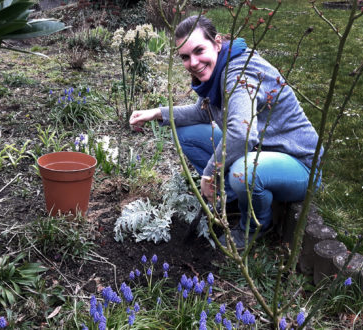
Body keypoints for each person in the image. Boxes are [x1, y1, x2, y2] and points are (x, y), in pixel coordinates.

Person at [129, 15, 322, 249]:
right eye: (185, 57)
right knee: (186, 134)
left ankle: (256, 224)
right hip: (260, 150)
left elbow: (241, 135)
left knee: (242, 172)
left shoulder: (239, 74)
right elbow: (204, 112)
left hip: (300, 165)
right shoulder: (222, 68)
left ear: (217, 43)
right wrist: (158, 113)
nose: (193, 62)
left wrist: (209, 174)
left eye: (199, 50)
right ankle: (230, 198)